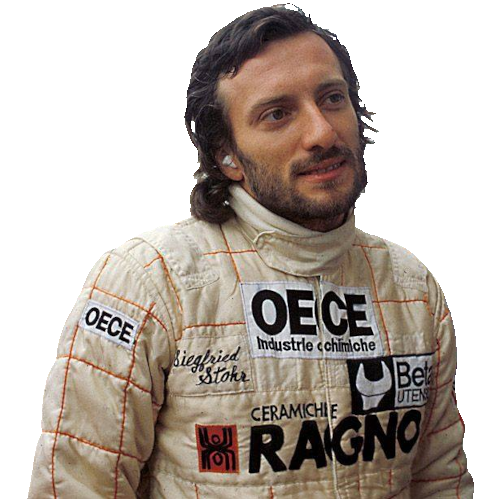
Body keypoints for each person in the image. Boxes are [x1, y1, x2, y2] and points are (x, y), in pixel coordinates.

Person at [29, 6, 473, 499]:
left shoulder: (412, 288)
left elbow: (442, 483)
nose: (323, 133)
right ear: (226, 156)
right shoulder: (149, 281)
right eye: (277, 114)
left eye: (332, 98)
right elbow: (76, 487)